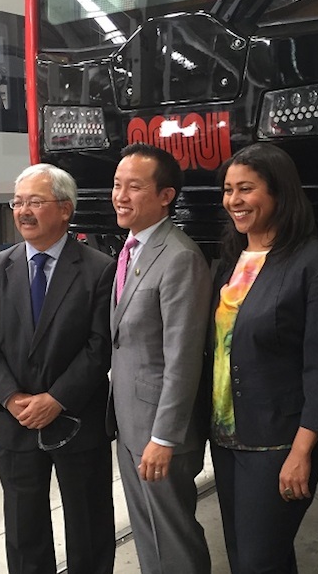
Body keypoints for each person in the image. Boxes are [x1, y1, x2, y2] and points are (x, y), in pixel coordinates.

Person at [210, 143, 318, 574]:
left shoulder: (317, 266)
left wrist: (303, 451)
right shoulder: (230, 261)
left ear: (279, 194)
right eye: (228, 189)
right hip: (226, 434)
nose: (234, 200)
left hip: (278, 441)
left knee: (257, 561)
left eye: (246, 189)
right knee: (248, 555)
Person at [0, 164, 116, 574]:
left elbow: (99, 346)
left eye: (36, 201)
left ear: (66, 209)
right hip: (15, 423)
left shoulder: (98, 268)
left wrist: (56, 398)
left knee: (88, 528)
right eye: (18, 202)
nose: (23, 211)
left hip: (76, 420)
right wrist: (11, 398)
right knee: (23, 531)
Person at [109, 143, 212, 574]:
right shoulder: (133, 247)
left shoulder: (179, 257)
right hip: (132, 421)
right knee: (148, 531)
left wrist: (164, 438)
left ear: (166, 195)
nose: (120, 196)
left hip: (159, 432)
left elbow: (183, 358)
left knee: (173, 537)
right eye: (117, 185)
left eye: (134, 187)